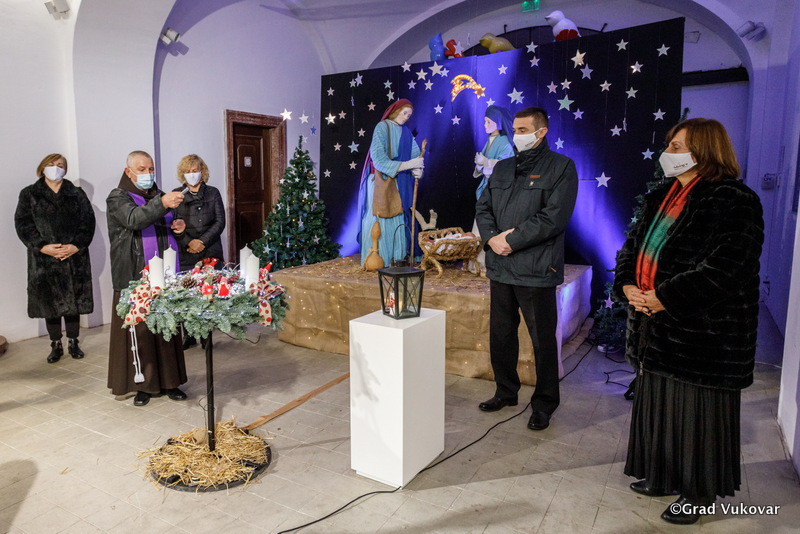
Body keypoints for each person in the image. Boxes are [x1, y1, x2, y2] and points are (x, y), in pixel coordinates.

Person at [613, 118, 764, 525]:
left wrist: (666, 297)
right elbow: (631, 248)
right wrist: (627, 285)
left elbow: (728, 268)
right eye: (669, 145)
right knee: (660, 407)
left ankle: (697, 493)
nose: (668, 153)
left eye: (677, 147)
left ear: (705, 150)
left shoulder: (735, 200)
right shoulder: (662, 196)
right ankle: (661, 475)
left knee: (696, 416)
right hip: (655, 325)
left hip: (705, 334)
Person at [475, 106, 578, 432]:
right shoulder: (503, 168)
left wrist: (512, 240)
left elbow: (553, 218)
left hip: (536, 269)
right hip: (501, 267)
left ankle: (544, 404)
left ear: (541, 132)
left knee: (542, 340)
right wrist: (491, 239)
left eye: (522, 130)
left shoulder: (561, 167)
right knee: (501, 336)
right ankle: (506, 392)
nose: (516, 135)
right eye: (515, 130)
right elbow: (483, 207)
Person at [106, 150, 189, 406]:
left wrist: (178, 227)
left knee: (166, 329)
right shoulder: (117, 197)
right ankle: (142, 386)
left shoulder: (157, 194)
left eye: (151, 169)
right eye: (141, 169)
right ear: (128, 172)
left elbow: (164, 225)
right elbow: (134, 219)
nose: (148, 174)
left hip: (163, 274)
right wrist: (162, 203)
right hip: (134, 274)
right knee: (140, 332)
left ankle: (171, 382)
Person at [14, 154, 95, 363]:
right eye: (51, 164)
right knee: (49, 304)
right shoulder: (29, 194)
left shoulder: (76, 194)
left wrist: (76, 246)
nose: (56, 168)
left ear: (65, 170)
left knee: (74, 303)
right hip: (44, 260)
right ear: (42, 168)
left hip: (73, 258)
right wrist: (42, 247)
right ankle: (55, 343)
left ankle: (73, 341)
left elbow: (87, 222)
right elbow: (23, 224)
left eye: (60, 165)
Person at [357, 99, 424, 266]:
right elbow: (379, 160)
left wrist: (417, 169)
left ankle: (397, 258)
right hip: (381, 183)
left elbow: (415, 155)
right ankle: (379, 259)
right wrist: (408, 165)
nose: (406, 117)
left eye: (409, 115)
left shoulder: (406, 133)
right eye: (404, 112)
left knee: (399, 219)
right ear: (395, 111)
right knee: (380, 219)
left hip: (400, 184)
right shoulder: (382, 128)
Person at [171, 154, 226, 349]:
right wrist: (189, 242)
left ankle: (206, 336)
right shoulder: (176, 194)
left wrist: (202, 241)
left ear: (202, 172)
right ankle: (188, 335)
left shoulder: (213, 192)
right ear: (182, 173)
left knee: (208, 294)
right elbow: (173, 223)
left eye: (195, 170)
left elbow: (220, 222)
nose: (192, 174)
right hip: (186, 250)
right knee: (187, 294)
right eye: (188, 171)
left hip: (210, 249)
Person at [470, 105, 515, 275]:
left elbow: (506, 164)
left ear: (498, 122)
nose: (485, 125)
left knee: (493, 224)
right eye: (484, 122)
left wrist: (486, 162)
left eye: (488, 122)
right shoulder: (490, 140)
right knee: (481, 223)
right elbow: (485, 165)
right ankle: (478, 262)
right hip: (487, 187)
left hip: (499, 190)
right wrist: (480, 164)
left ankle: (489, 264)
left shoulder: (504, 142)